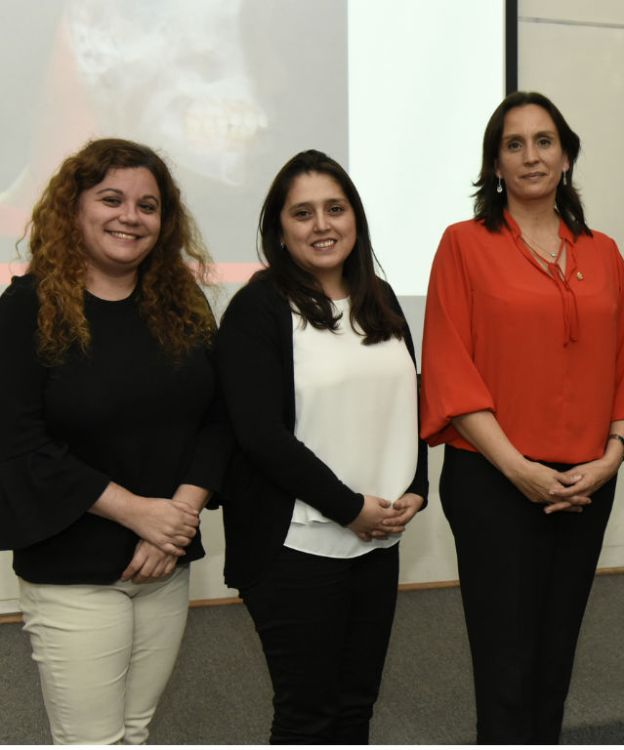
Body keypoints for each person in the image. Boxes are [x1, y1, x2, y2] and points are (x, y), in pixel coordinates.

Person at [420, 91, 624, 744]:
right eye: (514, 143)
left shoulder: (604, 252)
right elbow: (450, 367)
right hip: (491, 481)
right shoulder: (464, 245)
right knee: (506, 668)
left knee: (555, 660)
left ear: (566, 156)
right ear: (495, 164)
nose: (531, 155)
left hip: (587, 485)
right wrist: (517, 468)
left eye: (544, 140)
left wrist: (611, 459)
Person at [0, 138, 227, 744]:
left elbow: (218, 419)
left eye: (148, 206)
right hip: (73, 566)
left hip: (164, 561)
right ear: (73, 210)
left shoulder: (183, 307)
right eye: (111, 198)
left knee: (135, 730)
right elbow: (19, 442)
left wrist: (176, 517)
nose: (131, 216)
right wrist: (142, 515)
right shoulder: (27, 308)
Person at [215, 149, 428, 745]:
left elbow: (410, 399)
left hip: (376, 541)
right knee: (308, 716)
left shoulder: (380, 298)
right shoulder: (257, 308)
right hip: (295, 547)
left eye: (335, 208)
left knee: (356, 708)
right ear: (279, 230)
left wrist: (415, 488)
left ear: (355, 218)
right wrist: (347, 507)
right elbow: (260, 435)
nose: (322, 224)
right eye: (302, 213)